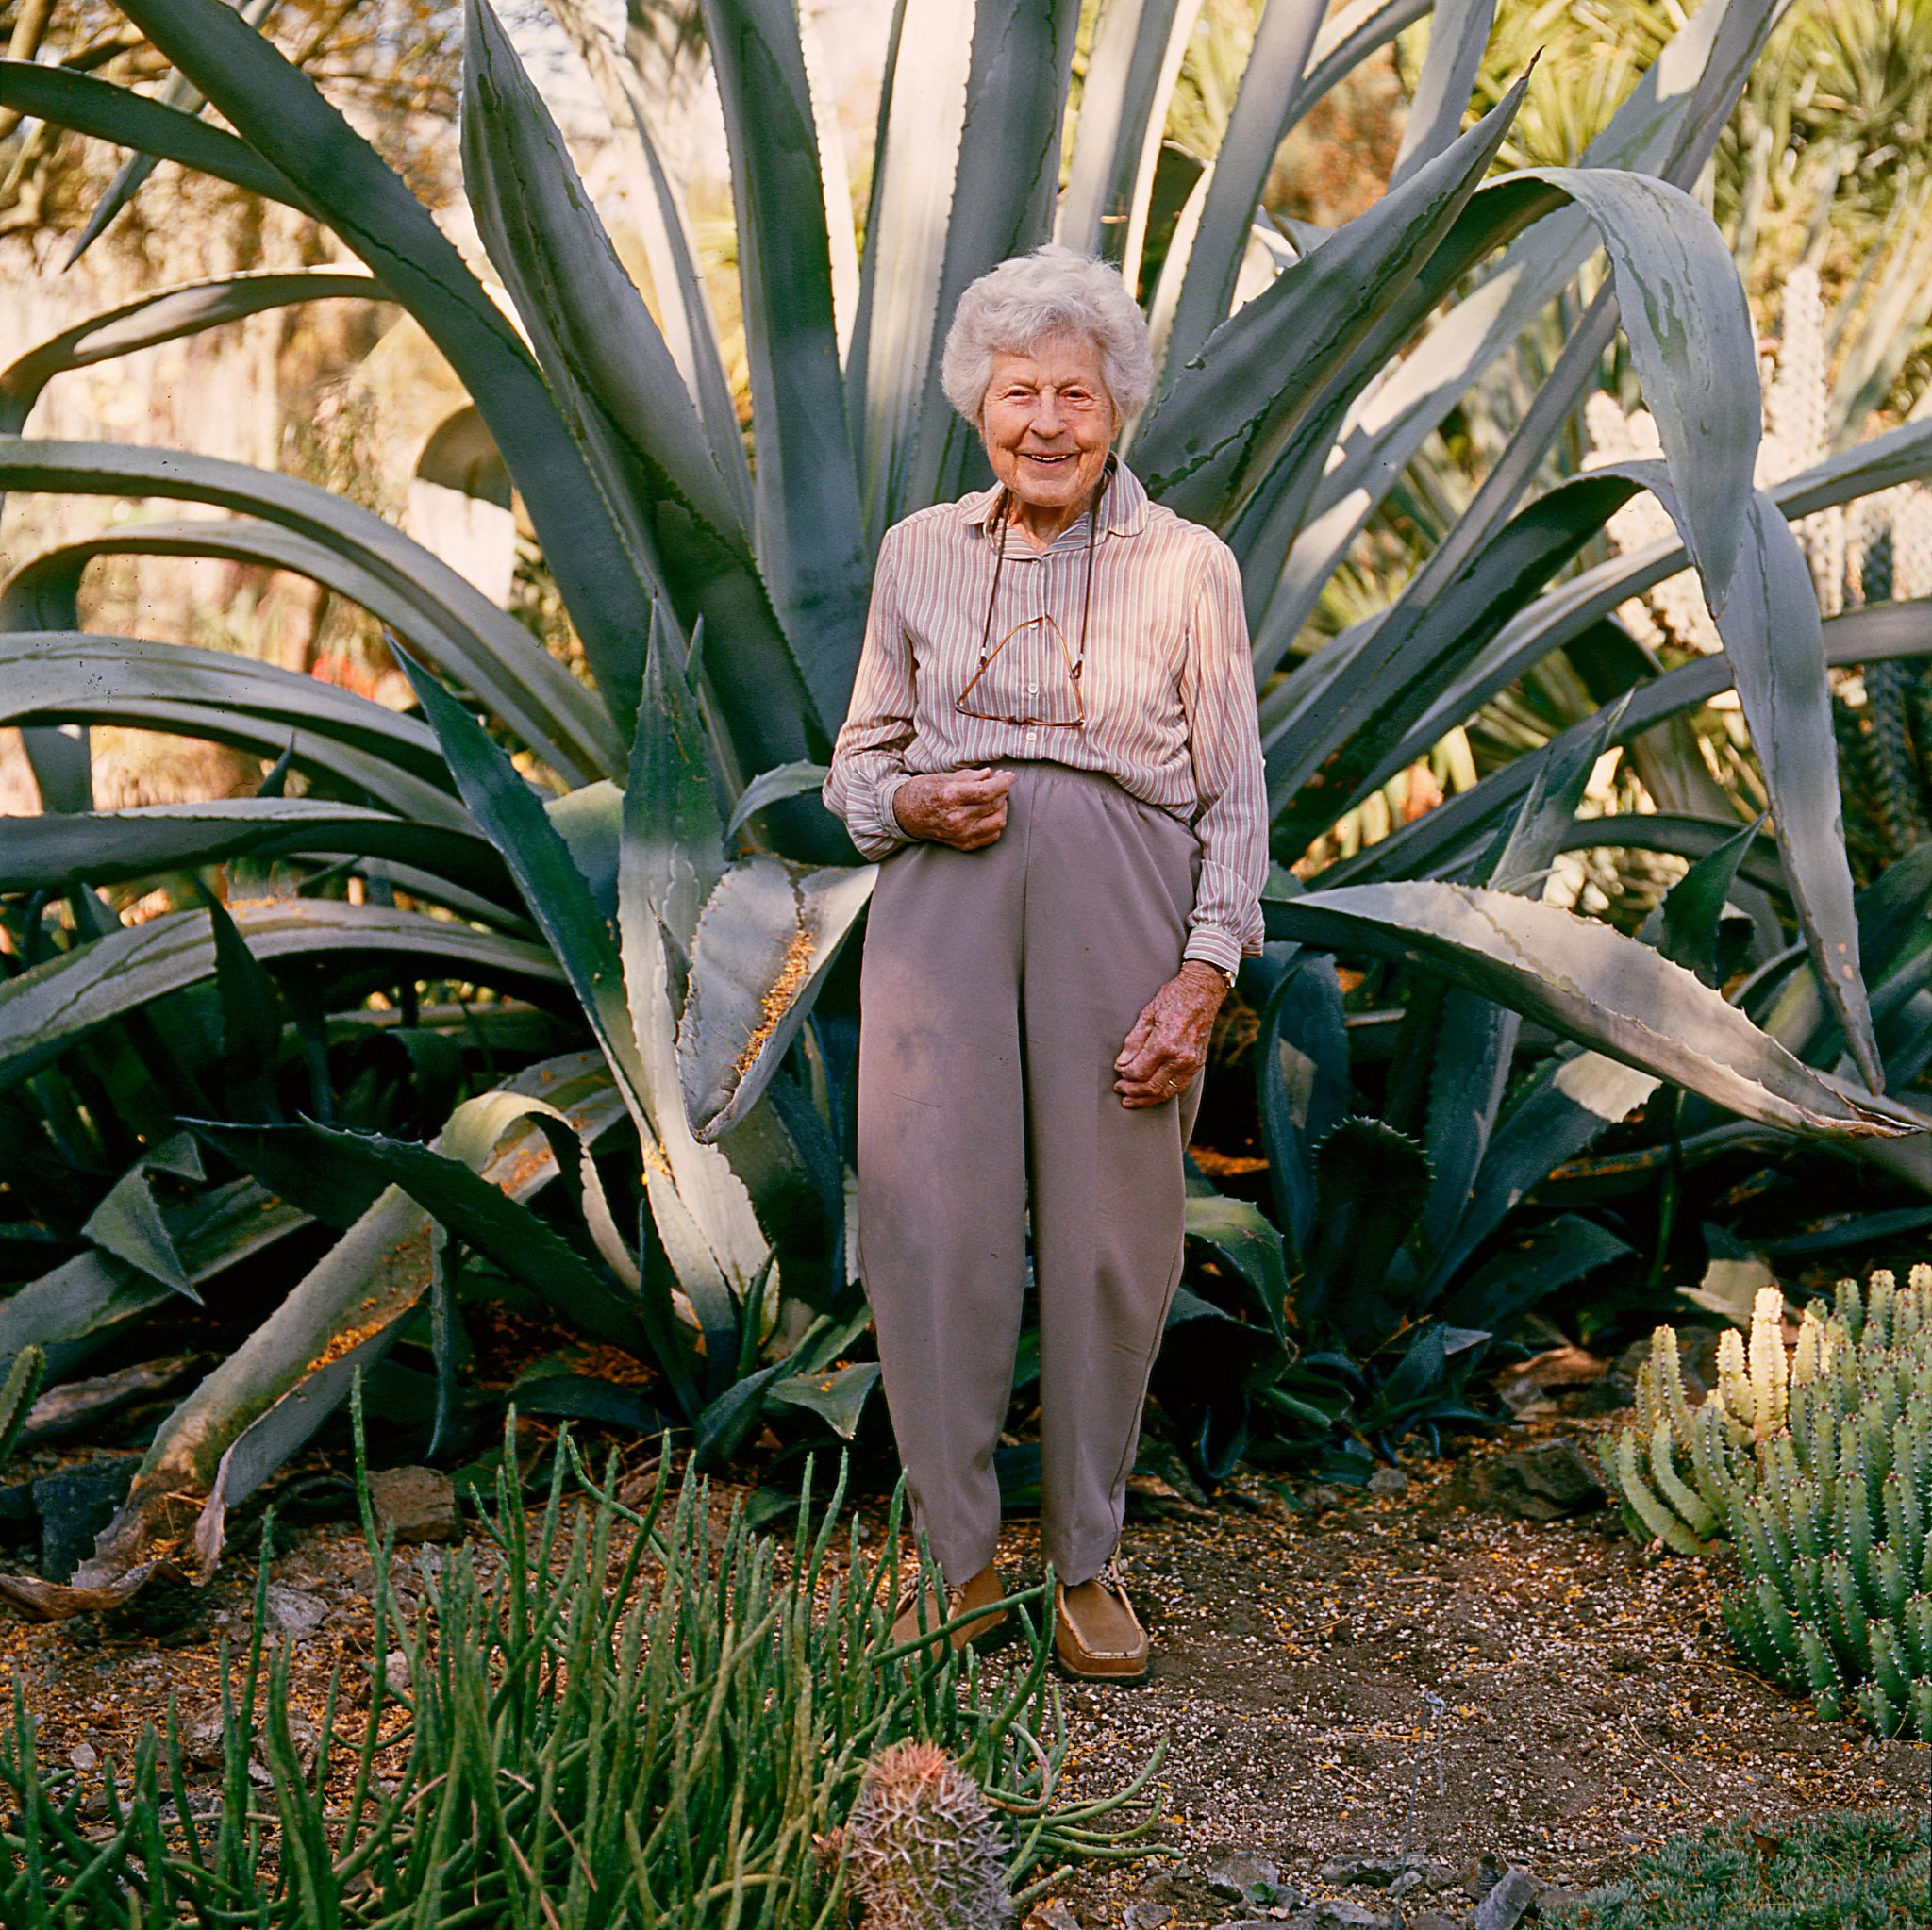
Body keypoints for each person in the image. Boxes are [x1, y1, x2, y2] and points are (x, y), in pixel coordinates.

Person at [823, 242, 1267, 1682]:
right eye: (1021, 393)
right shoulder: (918, 555)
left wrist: (1202, 977)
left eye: (1076, 392)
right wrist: (905, 804)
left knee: (1106, 1241)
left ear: (1117, 406)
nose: (1048, 423)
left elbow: (1236, 807)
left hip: (1120, 911)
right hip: (942, 907)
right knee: (933, 1231)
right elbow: (855, 766)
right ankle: (954, 1558)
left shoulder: (1191, 568)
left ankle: (1086, 1561)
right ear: (979, 404)